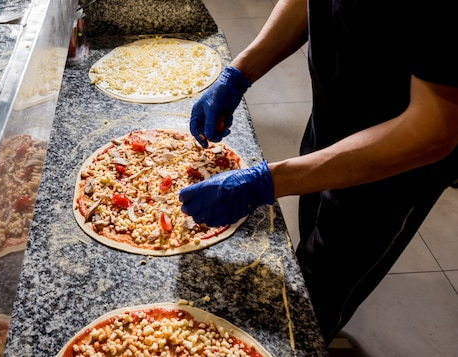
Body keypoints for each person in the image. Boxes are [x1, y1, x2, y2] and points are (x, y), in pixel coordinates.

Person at [179, 0, 458, 345]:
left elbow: (435, 127)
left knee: (316, 300)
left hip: (394, 168)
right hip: (334, 114)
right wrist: (239, 73)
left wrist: (268, 181)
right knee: (308, 242)